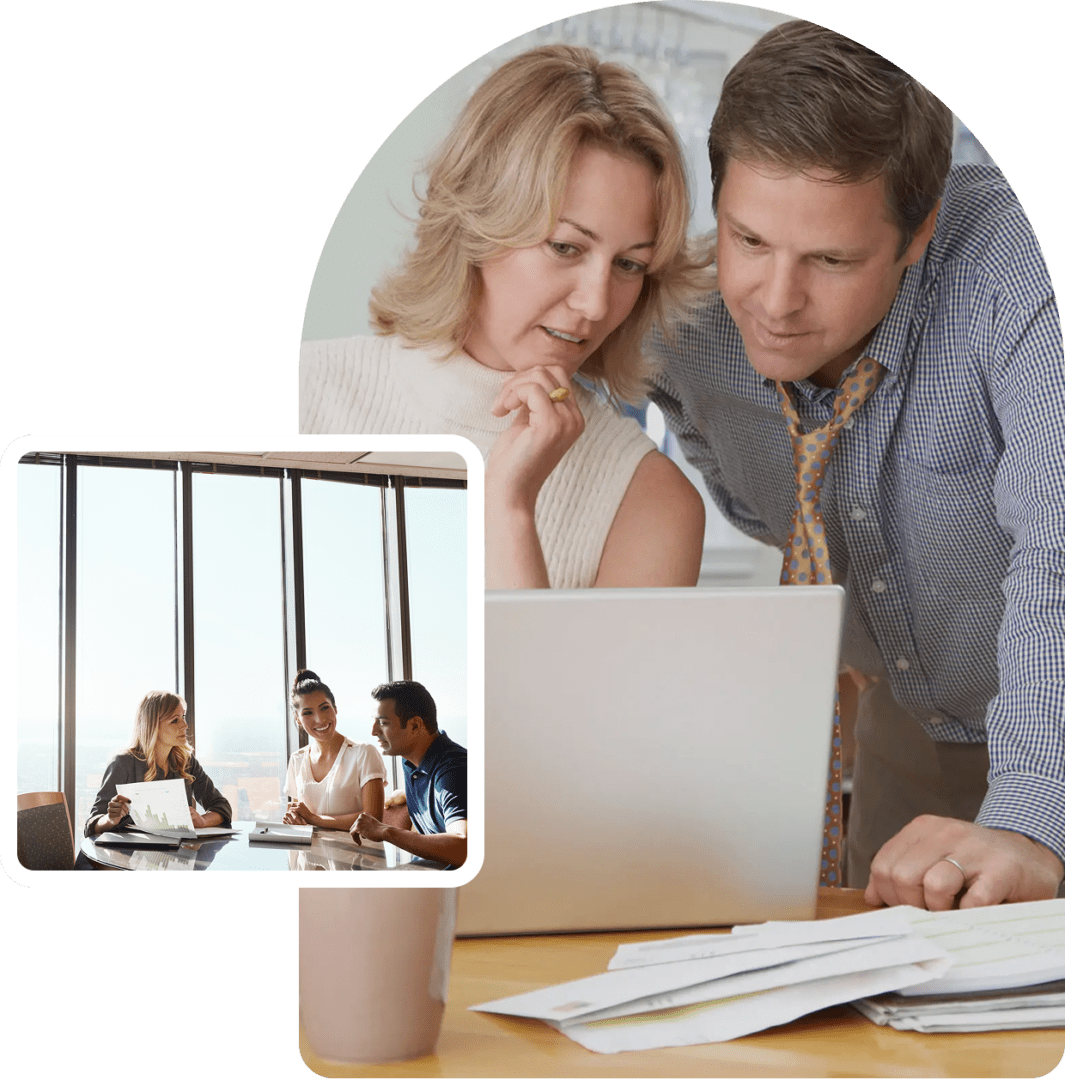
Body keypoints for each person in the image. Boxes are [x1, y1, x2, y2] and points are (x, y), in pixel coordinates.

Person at [648, 19, 1065, 911]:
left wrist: (1032, 817)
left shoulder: (1021, 264)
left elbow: (1057, 547)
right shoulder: (679, 324)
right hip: (905, 730)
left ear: (917, 233)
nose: (775, 301)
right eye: (748, 241)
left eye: (830, 260)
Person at [299, 44, 711, 589]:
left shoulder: (650, 500)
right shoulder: (305, 394)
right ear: (478, 223)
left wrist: (509, 509)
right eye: (565, 247)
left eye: (629, 264)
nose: (596, 304)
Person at [350, 681, 466, 869]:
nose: (373, 731)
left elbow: (463, 846)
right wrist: (404, 794)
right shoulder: (411, 761)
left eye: (383, 723)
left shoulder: (453, 770)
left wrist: (385, 831)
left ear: (414, 725)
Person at [84, 690, 232, 838]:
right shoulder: (123, 763)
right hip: (128, 851)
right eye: (175, 720)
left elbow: (222, 807)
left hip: (175, 850)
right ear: (152, 726)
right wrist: (109, 819)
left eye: (183, 717)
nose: (185, 725)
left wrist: (203, 821)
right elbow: (91, 827)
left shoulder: (186, 762)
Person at [283, 669, 387, 831]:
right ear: (298, 719)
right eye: (308, 713)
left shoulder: (364, 753)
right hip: (311, 848)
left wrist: (314, 819)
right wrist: (294, 818)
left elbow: (373, 818)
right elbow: (299, 815)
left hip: (356, 848)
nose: (320, 719)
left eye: (324, 708)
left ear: (335, 708)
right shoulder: (297, 759)